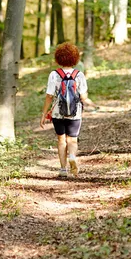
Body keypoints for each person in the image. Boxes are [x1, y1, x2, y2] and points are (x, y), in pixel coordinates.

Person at [40, 42, 93, 178]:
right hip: (75, 112)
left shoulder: (54, 74)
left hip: (58, 112)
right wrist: (91, 103)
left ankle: (63, 169)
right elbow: (84, 96)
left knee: (61, 140)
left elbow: (49, 96)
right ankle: (72, 156)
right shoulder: (79, 75)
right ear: (75, 58)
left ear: (58, 58)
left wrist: (44, 113)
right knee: (73, 140)